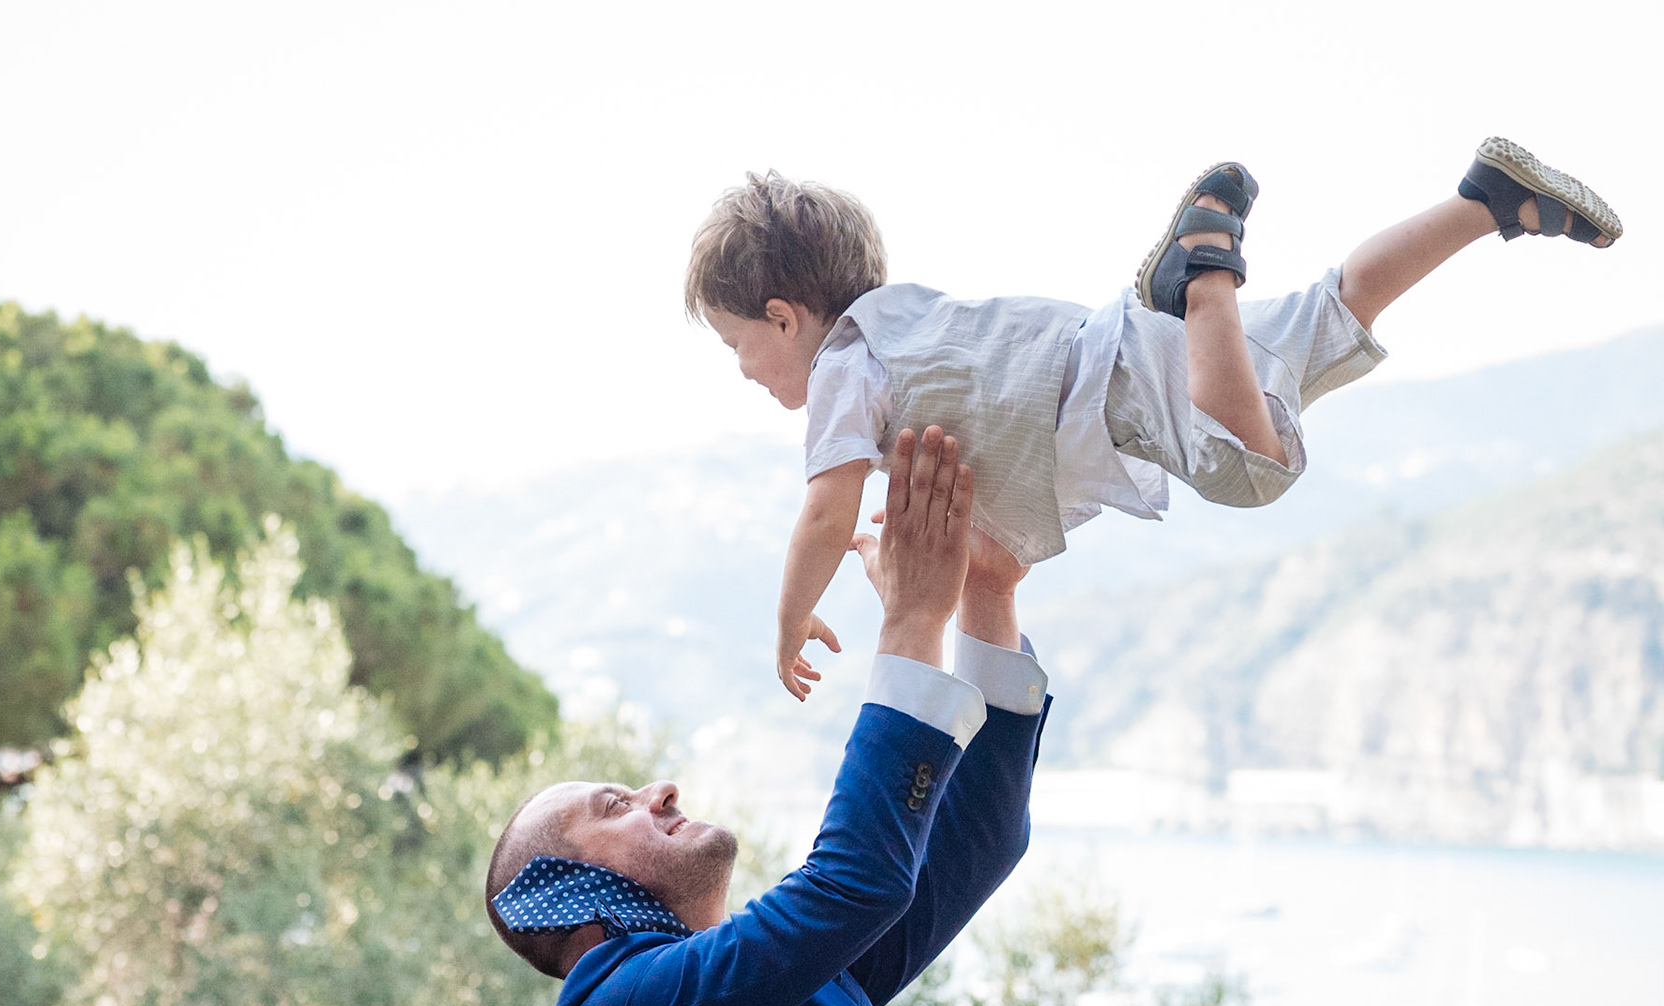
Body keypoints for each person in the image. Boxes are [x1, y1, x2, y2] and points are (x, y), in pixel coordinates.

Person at [684, 138, 1624, 699]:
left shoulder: (845, 363)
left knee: (1249, 469)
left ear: (784, 318)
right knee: (1332, 312)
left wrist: (790, 617)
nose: (743, 371)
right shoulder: (909, 318)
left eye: (736, 345)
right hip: (1130, 343)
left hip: (1123, 379)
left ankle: (1205, 270)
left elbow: (825, 511)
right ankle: (1486, 202)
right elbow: (994, 445)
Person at [485, 425, 1047, 1006]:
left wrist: (986, 594)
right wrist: (910, 621)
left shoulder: (793, 988)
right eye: (614, 805)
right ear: (564, 891)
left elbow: (979, 840)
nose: (659, 789)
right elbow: (853, 880)